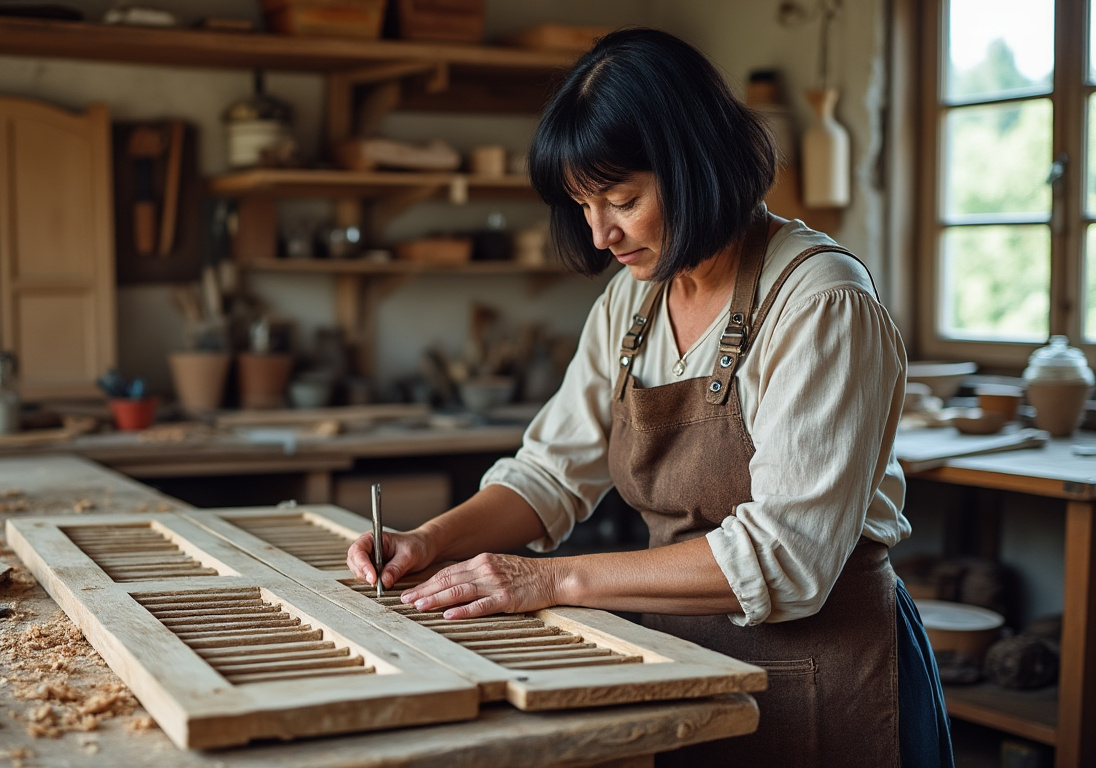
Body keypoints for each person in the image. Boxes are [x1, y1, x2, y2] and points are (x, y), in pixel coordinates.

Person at [348, 27, 953, 768]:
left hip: (824, 671)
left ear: (694, 166)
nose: (600, 234)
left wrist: (554, 578)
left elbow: (787, 557)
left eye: (621, 200)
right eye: (582, 205)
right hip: (677, 658)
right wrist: (434, 540)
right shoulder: (631, 305)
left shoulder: (820, 302)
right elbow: (548, 474)